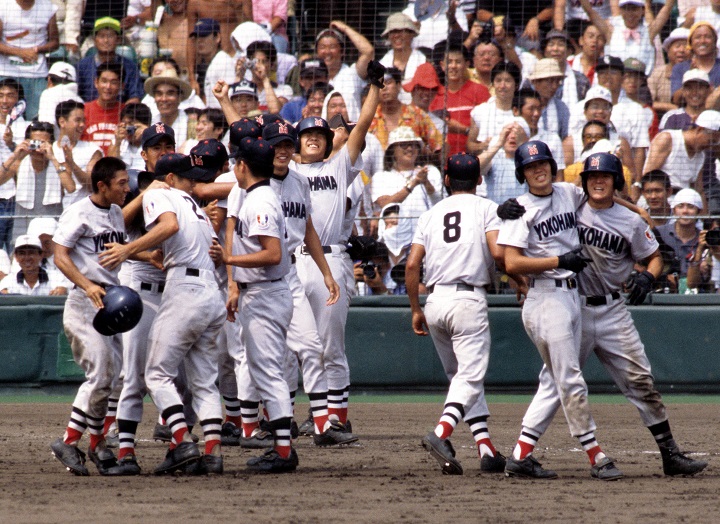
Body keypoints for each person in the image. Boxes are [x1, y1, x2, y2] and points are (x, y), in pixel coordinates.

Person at [517, 151, 708, 478]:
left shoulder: (630, 220)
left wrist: (649, 276)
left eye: (605, 176)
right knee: (555, 382)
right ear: (585, 183)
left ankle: (670, 454)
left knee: (640, 380)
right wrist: (508, 208)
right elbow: (534, 203)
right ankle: (522, 452)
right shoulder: (571, 206)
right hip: (572, 305)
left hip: (612, 311)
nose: (598, 181)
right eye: (592, 177)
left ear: (616, 181)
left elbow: (654, 257)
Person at [497, 140, 622, 480]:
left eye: (542, 164)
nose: (538, 170)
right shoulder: (520, 209)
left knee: (553, 381)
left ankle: (521, 455)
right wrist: (558, 260)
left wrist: (636, 213)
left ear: (552, 167)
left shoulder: (568, 192)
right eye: (530, 167)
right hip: (545, 298)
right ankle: (595, 455)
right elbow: (510, 261)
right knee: (569, 378)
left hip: (571, 298)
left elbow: (601, 198)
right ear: (522, 174)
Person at [99, 152, 226, 475]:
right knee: (201, 380)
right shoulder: (193, 206)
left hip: (183, 291)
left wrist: (128, 250)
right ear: (173, 178)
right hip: (207, 292)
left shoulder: (164, 195)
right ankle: (211, 451)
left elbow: (168, 226)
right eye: (187, 177)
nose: (192, 183)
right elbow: (188, 245)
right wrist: (148, 253)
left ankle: (182, 441)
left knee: (156, 374)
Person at [408, 152, 515, 475]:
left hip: (435, 301)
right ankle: (441, 433)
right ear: (480, 180)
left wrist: (415, 309)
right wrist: (521, 280)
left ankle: (487, 449)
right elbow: (498, 255)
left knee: (461, 380)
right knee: (469, 377)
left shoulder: (431, 213)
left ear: (446, 180)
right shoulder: (486, 208)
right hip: (468, 300)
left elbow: (412, 265)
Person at [289, 59, 382, 430]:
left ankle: (337, 419)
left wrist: (375, 87)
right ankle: (305, 415)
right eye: (307, 134)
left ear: (328, 142)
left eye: (319, 134)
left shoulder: (339, 168)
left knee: (330, 346)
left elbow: (362, 126)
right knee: (296, 347)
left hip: (332, 261)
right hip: (295, 263)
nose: (313, 137)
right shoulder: (289, 173)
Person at [215, 136, 297, 471]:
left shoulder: (260, 201)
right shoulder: (257, 195)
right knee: (265, 372)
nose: (234, 166)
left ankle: (283, 452)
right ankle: (281, 448)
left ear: (243, 166)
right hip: (260, 293)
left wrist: (230, 258)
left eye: (236, 161)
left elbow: (273, 254)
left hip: (266, 294)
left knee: (268, 373)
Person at [49, 156, 131, 476]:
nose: (127, 188)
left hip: (110, 303)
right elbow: (59, 255)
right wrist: (86, 284)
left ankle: (95, 443)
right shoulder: (79, 212)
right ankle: (71, 441)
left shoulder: (116, 213)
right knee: (101, 373)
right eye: (121, 183)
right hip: (84, 303)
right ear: (102, 186)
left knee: (111, 377)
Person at [2, 121, 75, 239]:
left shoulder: (60, 165)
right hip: (23, 225)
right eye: (34, 143)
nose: (38, 149)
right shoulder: (19, 164)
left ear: (50, 144)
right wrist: (14, 155)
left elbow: (71, 188)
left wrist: (52, 158)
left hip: (52, 227)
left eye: (42, 143)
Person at [371, 126, 443, 241]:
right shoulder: (381, 177)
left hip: (427, 235)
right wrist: (413, 184)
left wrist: (426, 183)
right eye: (404, 144)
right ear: (392, 150)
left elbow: (441, 203)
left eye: (413, 144)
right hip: (394, 238)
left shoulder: (431, 171)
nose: (410, 148)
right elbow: (385, 204)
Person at [579, 0, 675, 77]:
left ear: (642, 10)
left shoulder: (649, 32)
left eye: (634, 9)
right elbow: (590, 11)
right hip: (614, 86)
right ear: (620, 10)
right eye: (626, 9)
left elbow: (667, 8)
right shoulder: (611, 31)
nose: (630, 13)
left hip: (642, 87)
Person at [0, 0, 59, 121]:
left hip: (36, 74)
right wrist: (20, 52)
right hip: (6, 72)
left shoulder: (48, 7)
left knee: (36, 119)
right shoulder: (3, 5)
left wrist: (36, 49)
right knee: (3, 119)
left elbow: (55, 42)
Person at [644, 109, 720, 201]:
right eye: (710, 141)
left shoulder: (701, 155)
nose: (710, 147)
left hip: (685, 204)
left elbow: (699, 190)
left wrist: (703, 215)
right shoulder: (667, 139)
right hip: (659, 200)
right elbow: (648, 176)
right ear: (700, 129)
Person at [370, 67, 443, 156]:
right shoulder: (369, 119)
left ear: (398, 85)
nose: (384, 87)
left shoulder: (417, 114)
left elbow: (440, 145)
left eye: (388, 83)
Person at [314, 21, 374, 122]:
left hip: (352, 131)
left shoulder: (352, 74)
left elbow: (368, 51)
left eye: (332, 47)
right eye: (322, 47)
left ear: (342, 51)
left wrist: (344, 28)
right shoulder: (312, 77)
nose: (327, 51)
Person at [75, 17, 143, 105]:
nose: (106, 40)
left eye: (110, 36)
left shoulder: (130, 67)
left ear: (118, 40)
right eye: (101, 36)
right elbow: (75, 98)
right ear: (95, 40)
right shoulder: (81, 67)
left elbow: (135, 97)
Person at [53, 100, 103, 208]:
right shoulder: (49, 150)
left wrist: (72, 164)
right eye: (77, 120)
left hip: (83, 212)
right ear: (62, 122)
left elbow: (92, 184)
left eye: (83, 121)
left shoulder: (92, 150)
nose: (82, 125)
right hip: (52, 213)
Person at [468, 62, 521, 155]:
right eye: (498, 80)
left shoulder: (522, 112)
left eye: (508, 81)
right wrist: (482, 146)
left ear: (516, 85)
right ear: (492, 84)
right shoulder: (480, 111)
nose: (502, 86)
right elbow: (470, 144)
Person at [655, 188, 703, 284]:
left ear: (699, 211)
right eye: (680, 206)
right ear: (674, 210)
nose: (685, 211)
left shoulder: (704, 239)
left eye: (690, 207)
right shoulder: (658, 233)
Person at [478, 120, 530, 204]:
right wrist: (499, 143)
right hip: (498, 213)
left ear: (526, 138)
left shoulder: (531, 161)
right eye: (508, 132)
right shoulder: (494, 159)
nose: (512, 136)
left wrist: (522, 144)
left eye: (517, 133)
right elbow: (473, 169)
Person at [379, 13, 425, 105]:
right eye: (392, 32)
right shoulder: (381, 65)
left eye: (401, 31)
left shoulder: (423, 61)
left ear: (411, 34)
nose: (396, 35)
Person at [0, 234, 66, 295]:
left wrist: (62, 290)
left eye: (31, 253)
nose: (27, 258)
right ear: (16, 257)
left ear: (41, 255)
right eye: (22, 253)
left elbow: (64, 289)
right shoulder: (7, 282)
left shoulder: (57, 278)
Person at [671, 22, 720, 104]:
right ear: (691, 43)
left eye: (707, 37)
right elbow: (676, 100)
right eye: (698, 37)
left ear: (714, 42)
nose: (703, 41)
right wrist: (690, 77)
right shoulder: (680, 68)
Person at [81, 62, 124, 155]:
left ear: (121, 86)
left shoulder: (127, 113)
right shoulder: (83, 111)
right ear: (96, 82)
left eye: (113, 82)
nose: (108, 87)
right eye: (104, 81)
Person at [648, 28, 690, 118]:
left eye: (686, 46)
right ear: (668, 51)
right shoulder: (658, 73)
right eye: (677, 46)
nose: (682, 50)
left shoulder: (697, 71)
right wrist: (670, 107)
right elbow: (647, 102)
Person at [144, 68, 193, 146]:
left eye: (170, 93)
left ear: (179, 97)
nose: (164, 99)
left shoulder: (191, 126)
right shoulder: (149, 124)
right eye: (159, 94)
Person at [526, 58, 570, 140]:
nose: (554, 86)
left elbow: (565, 138)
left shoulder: (561, 108)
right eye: (550, 81)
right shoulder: (523, 104)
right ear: (536, 82)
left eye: (557, 82)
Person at [37, 61, 84, 132]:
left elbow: (46, 127)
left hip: (54, 142)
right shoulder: (81, 101)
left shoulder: (49, 94)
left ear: (49, 80)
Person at [106, 102, 153, 171]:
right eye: (125, 124)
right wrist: (117, 143)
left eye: (131, 124)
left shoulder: (154, 140)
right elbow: (110, 168)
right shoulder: (118, 142)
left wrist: (148, 133)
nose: (128, 129)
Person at [187, 18, 221, 96]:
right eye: (197, 36)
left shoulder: (223, 62)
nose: (199, 40)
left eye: (204, 35)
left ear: (217, 37)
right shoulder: (202, 66)